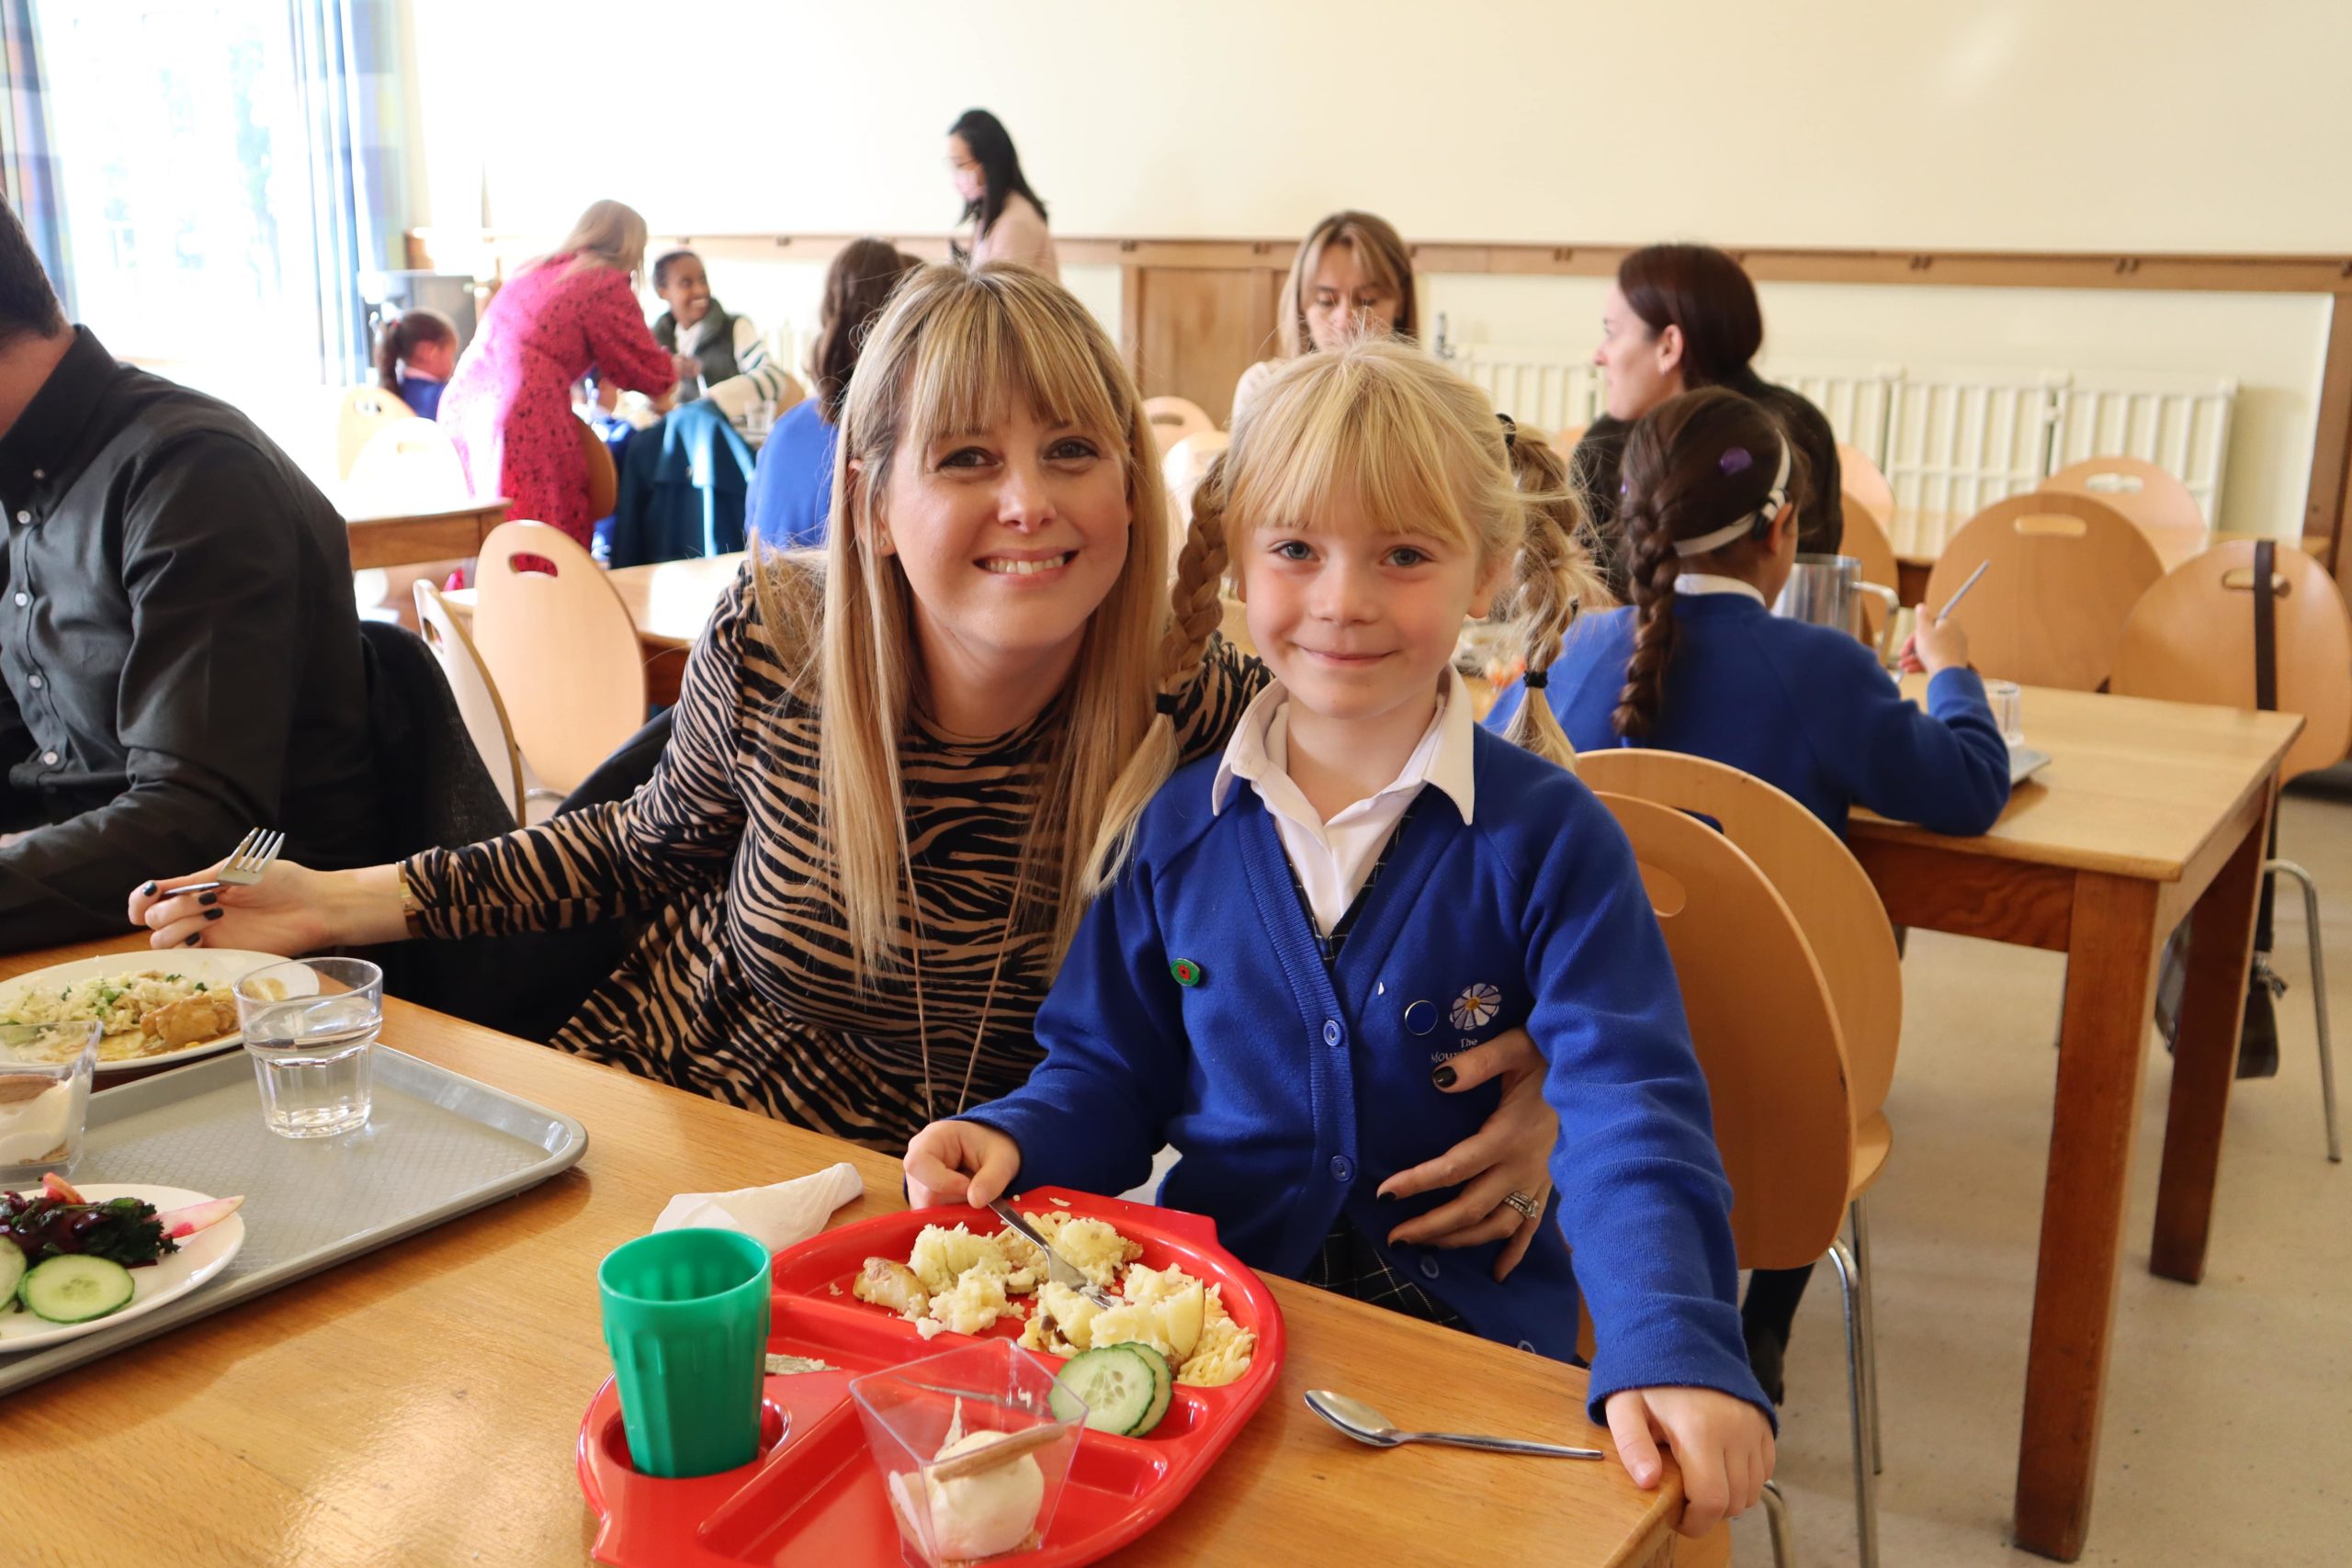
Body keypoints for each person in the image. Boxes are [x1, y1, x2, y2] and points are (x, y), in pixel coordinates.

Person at [130, 266, 1561, 1272]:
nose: (1029, 502)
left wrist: (1553, 1074)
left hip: (934, 1227)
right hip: (653, 1134)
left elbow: (1499, 842)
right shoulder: (782, 638)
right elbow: (634, 843)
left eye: (1074, 449)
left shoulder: (1208, 718)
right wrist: (334, 902)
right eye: (965, 457)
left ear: (1130, 484)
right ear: (875, 503)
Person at [904, 342, 1774, 1539]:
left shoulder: (1550, 836)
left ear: (1488, 571)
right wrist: (1013, 1133)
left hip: (1468, 1352)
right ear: (1240, 560)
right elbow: (1109, 1070)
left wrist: (1671, 1334)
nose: (1343, 598)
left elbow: (1631, 1098)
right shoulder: (1178, 824)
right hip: (1217, 1345)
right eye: (1297, 549)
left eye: (1404, 554)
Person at [1488, 386, 2011, 1401]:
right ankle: (1764, 1317)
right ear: (1782, 532)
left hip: (1568, 1083)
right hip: (1780, 1095)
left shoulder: (1559, 662)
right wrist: (1952, 674)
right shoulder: (1823, 667)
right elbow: (1967, 791)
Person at [0, 196, 379, 951]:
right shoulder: (25, 485)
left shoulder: (189, 473)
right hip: (96, 914)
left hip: (246, 951)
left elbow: (195, 826)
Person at [1575, 243, 1842, 600]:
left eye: (1612, 332)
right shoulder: (1606, 440)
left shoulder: (1784, 438)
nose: (1598, 355)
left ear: (1669, 346)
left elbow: (1802, 596)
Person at [438, 199, 676, 548]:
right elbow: (647, 373)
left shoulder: (535, 269)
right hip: (522, 405)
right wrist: (673, 369)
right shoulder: (602, 282)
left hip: (465, 400)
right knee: (544, 525)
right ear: (631, 247)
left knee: (486, 536)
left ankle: (484, 601)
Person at [746, 240, 921, 551]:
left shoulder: (786, 428)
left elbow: (753, 533)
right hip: (838, 596)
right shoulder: (892, 439)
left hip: (767, 594)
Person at [1228, 210, 1417, 428]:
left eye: (1367, 301)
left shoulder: (1428, 398)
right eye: (1325, 301)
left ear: (1400, 303)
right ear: (1302, 305)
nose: (1345, 319)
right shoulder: (1264, 389)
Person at [648, 248, 796, 415]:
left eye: (703, 280)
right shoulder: (654, 341)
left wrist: (711, 402)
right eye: (686, 283)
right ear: (663, 292)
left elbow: (772, 378)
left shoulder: (735, 327)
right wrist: (667, 372)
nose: (700, 290)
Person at [947, 109, 1057, 280]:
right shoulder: (991, 214)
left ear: (989, 163)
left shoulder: (1015, 222)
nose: (956, 174)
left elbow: (1002, 298)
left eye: (960, 164)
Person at [373, 308, 458, 420]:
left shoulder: (398, 392)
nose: (454, 364)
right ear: (427, 351)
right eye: (451, 355)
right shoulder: (443, 397)